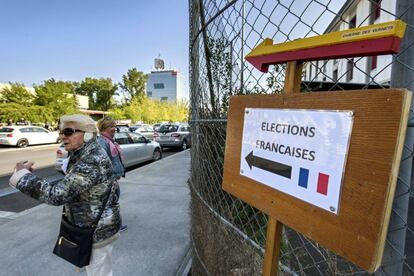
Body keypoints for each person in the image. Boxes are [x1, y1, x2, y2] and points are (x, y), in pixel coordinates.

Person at [9, 114, 121, 275]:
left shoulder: (92, 160)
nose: (61, 135)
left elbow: (56, 195)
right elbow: (71, 186)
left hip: (97, 231)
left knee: (99, 272)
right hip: (94, 226)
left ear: (88, 134)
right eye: (61, 131)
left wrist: (22, 177)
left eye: (68, 131)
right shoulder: (83, 153)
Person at [97, 117, 128, 232]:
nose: (114, 128)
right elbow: (102, 163)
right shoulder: (102, 142)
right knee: (111, 203)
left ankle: (110, 225)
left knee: (111, 202)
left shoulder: (109, 141)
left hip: (112, 178)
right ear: (104, 128)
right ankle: (113, 226)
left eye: (115, 126)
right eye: (111, 126)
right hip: (108, 179)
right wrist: (109, 178)